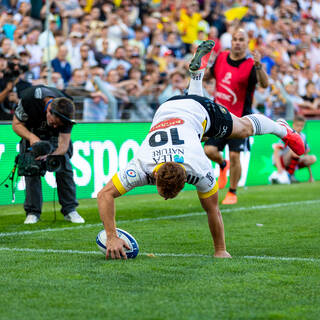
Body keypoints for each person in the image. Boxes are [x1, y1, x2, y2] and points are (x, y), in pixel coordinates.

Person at [97, 40, 305, 260]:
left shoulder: (195, 166)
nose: (166, 199)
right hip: (171, 110)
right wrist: (111, 236)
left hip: (192, 111)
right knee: (203, 133)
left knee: (243, 129)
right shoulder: (145, 164)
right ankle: (196, 76)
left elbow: (104, 195)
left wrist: (221, 250)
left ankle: (282, 129)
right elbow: (104, 195)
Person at [204, 28, 269, 205]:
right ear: (230, 42)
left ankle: (232, 192)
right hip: (219, 116)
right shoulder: (221, 58)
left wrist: (259, 66)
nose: (237, 42)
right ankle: (222, 165)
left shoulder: (250, 65)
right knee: (208, 150)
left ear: (246, 44)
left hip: (240, 119)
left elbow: (264, 83)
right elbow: (207, 75)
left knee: (235, 155)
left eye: (241, 39)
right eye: (235, 39)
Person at [12, 85, 85, 224]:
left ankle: (70, 210)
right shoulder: (29, 99)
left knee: (64, 168)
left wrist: (50, 156)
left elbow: (63, 145)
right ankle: (33, 212)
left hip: (55, 139)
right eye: (54, 122)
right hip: (31, 133)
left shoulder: (67, 107)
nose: (56, 125)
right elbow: (16, 124)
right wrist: (32, 138)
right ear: (49, 111)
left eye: (59, 124)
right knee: (31, 169)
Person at [270, 115, 317, 184]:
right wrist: (279, 169)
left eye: (302, 126)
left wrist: (311, 176)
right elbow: (276, 150)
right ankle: (289, 175)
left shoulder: (303, 136)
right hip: (282, 161)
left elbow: (306, 153)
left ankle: (290, 175)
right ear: (293, 125)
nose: (300, 128)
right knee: (294, 151)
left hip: (295, 160)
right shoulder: (287, 133)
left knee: (312, 158)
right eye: (298, 125)